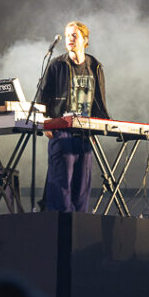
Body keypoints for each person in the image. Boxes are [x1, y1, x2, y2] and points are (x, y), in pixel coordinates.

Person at [41, 21, 110, 212]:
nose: (70, 39)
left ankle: (78, 229)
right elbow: (42, 97)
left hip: (85, 132)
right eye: (68, 35)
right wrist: (46, 122)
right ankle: (60, 228)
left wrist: (100, 126)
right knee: (61, 183)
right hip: (62, 130)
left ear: (85, 40)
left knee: (82, 187)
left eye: (74, 35)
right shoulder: (57, 64)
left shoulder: (94, 65)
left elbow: (99, 99)